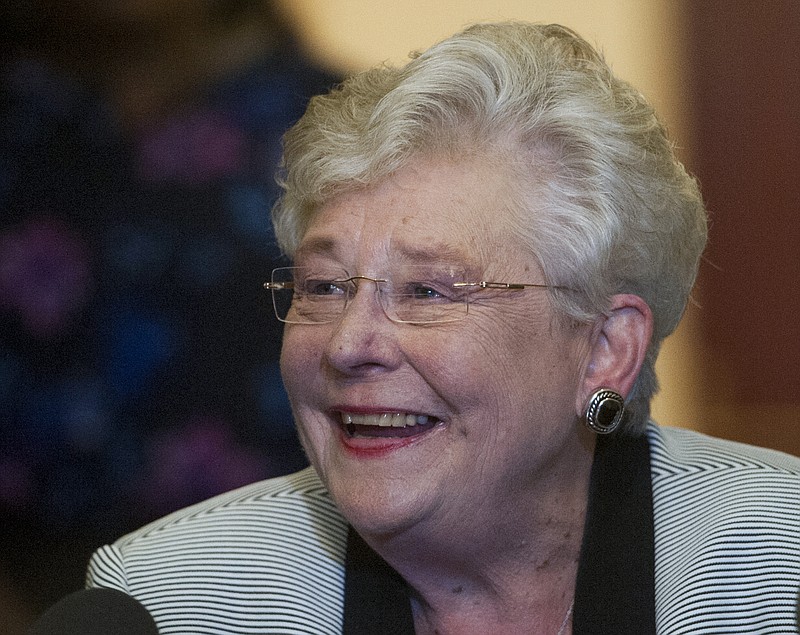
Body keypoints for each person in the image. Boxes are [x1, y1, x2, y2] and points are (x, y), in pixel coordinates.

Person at [83, 22, 800, 634]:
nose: (348, 344)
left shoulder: (777, 568)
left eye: (428, 289)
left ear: (605, 347)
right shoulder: (173, 601)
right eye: (324, 286)